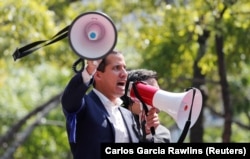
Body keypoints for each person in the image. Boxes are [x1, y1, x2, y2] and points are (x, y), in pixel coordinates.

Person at [61, 50, 160, 159]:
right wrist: (88, 71)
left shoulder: (128, 116)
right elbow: (69, 99)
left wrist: (148, 133)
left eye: (124, 68)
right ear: (98, 75)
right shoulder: (84, 106)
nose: (124, 74)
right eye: (116, 68)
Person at [121, 68, 171, 143]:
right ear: (131, 97)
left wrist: (148, 135)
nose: (157, 97)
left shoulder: (162, 134)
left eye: (157, 91)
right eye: (149, 92)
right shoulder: (117, 126)